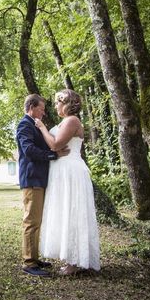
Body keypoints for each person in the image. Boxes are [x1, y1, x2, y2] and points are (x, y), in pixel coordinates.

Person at [35, 89, 101, 275]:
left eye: (57, 102)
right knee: (64, 211)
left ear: (66, 103)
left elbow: (56, 145)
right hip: (62, 172)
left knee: (72, 212)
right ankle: (71, 258)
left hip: (71, 172)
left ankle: (74, 262)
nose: (55, 106)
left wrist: (42, 128)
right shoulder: (65, 121)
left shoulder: (72, 121)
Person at [16, 93, 70, 277]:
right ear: (32, 107)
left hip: (41, 178)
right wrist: (53, 155)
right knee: (31, 221)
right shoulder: (24, 124)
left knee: (37, 220)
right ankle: (29, 262)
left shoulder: (35, 125)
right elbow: (29, 151)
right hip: (32, 179)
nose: (44, 112)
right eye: (41, 108)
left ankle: (34, 257)